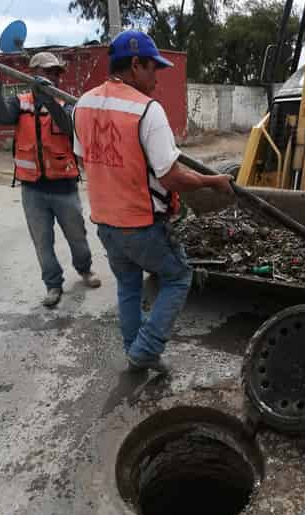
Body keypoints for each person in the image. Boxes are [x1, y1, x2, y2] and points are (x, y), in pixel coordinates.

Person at [73, 30, 233, 375]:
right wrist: (212, 181)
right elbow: (171, 177)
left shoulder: (82, 105)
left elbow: (86, 159)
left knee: (129, 286)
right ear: (135, 65)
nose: (156, 77)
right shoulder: (147, 110)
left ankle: (135, 350)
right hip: (141, 223)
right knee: (178, 276)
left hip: (105, 223)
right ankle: (146, 350)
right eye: (152, 69)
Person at [0, 52, 101, 308]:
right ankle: (53, 285)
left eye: (57, 73)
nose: (54, 76)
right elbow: (1, 116)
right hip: (32, 190)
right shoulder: (21, 103)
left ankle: (85, 269)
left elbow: (68, 127)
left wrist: (49, 101)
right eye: (49, 72)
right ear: (34, 74)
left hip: (64, 186)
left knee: (77, 236)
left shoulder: (66, 103)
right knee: (42, 242)